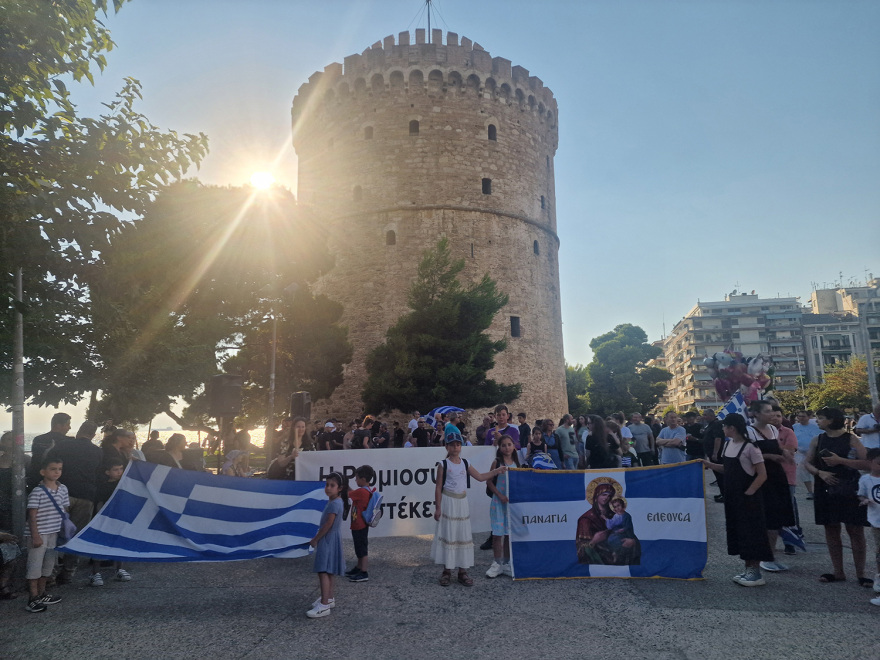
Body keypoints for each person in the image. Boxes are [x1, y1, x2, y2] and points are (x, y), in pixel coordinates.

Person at [700, 413, 773, 587]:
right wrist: (709, 464)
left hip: (748, 499)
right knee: (739, 533)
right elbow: (727, 468)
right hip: (732, 498)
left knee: (752, 533)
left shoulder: (751, 448)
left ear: (732, 428)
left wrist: (749, 493)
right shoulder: (728, 445)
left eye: (725, 426)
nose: (723, 429)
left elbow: (762, 474)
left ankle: (755, 573)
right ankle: (748, 569)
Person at [804, 406, 870, 585]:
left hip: (849, 488)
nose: (817, 420)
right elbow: (807, 463)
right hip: (825, 488)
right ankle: (838, 571)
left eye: (821, 417)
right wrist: (819, 473)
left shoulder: (851, 439)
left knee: (855, 530)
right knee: (831, 529)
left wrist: (841, 461)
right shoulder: (817, 439)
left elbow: (866, 463)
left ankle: (861, 573)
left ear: (831, 420)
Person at [431, 431, 506, 587]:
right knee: (449, 534)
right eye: (452, 445)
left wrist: (496, 471)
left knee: (462, 535)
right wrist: (438, 507)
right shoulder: (442, 464)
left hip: (462, 503)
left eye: (458, 444)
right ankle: (447, 571)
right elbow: (438, 487)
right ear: (447, 447)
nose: (455, 447)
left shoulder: (466, 463)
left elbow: (479, 477)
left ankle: (462, 571)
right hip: (449, 502)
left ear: (461, 446)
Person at [47, 420, 102, 584]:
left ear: (79, 431)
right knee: (75, 534)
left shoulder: (63, 446)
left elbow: (49, 464)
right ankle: (68, 572)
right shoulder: (97, 451)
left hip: (62, 493)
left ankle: (50, 573)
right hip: (86, 496)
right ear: (93, 434)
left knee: (54, 533)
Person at [745, 400, 796, 573]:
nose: (772, 415)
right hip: (761, 477)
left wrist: (785, 453)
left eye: (773, 412)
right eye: (767, 412)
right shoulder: (749, 432)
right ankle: (760, 557)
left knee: (776, 518)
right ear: (756, 414)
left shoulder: (774, 430)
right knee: (763, 518)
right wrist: (771, 457)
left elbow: (779, 448)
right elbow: (746, 456)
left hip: (777, 476)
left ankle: (771, 556)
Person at [24, 456, 68, 613]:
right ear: (43, 472)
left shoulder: (63, 489)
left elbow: (64, 510)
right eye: (53, 469)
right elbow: (32, 515)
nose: (57, 472)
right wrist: (35, 535)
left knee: (48, 565)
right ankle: (33, 597)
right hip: (40, 533)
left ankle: (42, 593)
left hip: (53, 533)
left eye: (59, 469)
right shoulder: (37, 492)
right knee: (34, 565)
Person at [306, 472, 348, 618]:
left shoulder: (334, 504)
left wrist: (316, 539)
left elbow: (328, 524)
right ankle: (329, 598)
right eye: (327, 485)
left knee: (323, 570)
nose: (328, 488)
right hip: (332, 538)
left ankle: (324, 605)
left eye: (332, 485)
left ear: (340, 488)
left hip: (327, 539)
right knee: (329, 570)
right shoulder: (336, 501)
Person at [89, 458, 131, 586]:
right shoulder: (103, 486)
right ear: (107, 472)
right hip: (104, 520)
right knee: (99, 546)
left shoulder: (125, 484)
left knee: (119, 543)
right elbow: (99, 503)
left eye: (121, 469)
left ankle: (119, 569)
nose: (119, 472)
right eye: (115, 470)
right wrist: (101, 518)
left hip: (120, 518)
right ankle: (95, 573)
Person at [485, 435, 519, 578]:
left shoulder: (517, 463)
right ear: (500, 447)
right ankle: (497, 563)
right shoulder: (497, 462)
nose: (507, 448)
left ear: (513, 446)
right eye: (503, 445)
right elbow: (489, 482)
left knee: (507, 533)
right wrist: (499, 495)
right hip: (499, 503)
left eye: (509, 444)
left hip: (510, 504)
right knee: (498, 534)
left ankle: (506, 563)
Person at [856, 448, 880, 605]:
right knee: (879, 552)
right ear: (870, 463)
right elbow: (861, 494)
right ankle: (879, 577)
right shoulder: (865, 479)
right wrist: (864, 500)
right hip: (877, 521)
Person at [346, 465, 376, 583]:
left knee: (361, 548)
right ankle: (358, 568)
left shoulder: (362, 491)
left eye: (357, 478)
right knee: (359, 547)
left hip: (359, 525)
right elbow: (352, 492)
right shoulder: (366, 490)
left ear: (363, 479)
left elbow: (349, 494)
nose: (355, 480)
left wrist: (344, 485)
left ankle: (363, 572)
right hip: (359, 524)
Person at [792, 410, 822, 500]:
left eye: (803, 416)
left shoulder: (815, 427)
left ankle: (818, 490)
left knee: (815, 471)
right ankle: (810, 491)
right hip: (801, 454)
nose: (801, 418)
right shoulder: (794, 427)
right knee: (804, 473)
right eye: (799, 416)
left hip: (814, 453)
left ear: (808, 417)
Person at [606, 497, 637, 563]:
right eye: (615, 507)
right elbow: (612, 525)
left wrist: (622, 530)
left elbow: (628, 526)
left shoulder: (627, 516)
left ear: (622, 505)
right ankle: (615, 552)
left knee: (619, 541)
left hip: (625, 533)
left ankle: (617, 554)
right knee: (610, 539)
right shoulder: (616, 516)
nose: (617, 508)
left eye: (618, 505)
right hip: (617, 532)